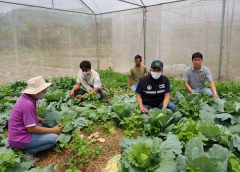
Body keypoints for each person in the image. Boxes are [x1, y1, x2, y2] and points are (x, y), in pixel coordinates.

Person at [8, 76, 62, 159]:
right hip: (20, 138)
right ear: (37, 91)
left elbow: (27, 118)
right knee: (55, 138)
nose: (45, 91)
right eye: (43, 90)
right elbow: (32, 129)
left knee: (43, 126)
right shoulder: (28, 104)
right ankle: (28, 153)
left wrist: (43, 120)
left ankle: (28, 148)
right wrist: (53, 130)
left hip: (17, 134)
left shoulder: (25, 98)